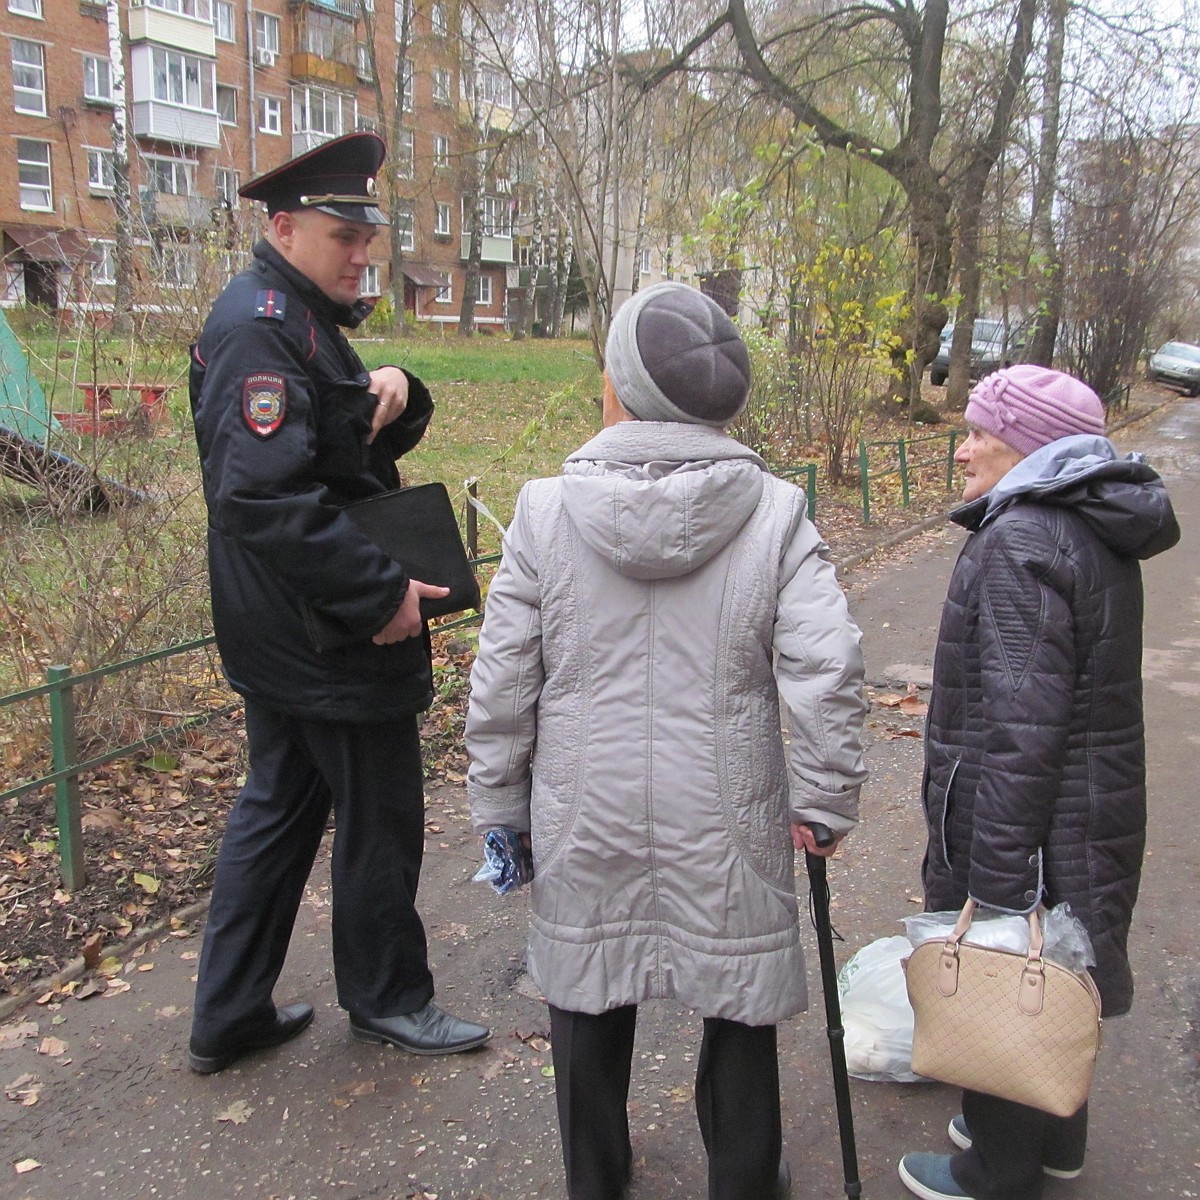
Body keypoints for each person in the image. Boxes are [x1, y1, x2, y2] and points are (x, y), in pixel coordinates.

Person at [465, 282, 868, 1200]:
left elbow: (502, 679)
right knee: (739, 1002)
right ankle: (743, 1180)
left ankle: (596, 1180)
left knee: (586, 987)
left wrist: (499, 805)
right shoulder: (773, 512)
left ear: (622, 387)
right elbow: (827, 665)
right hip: (729, 810)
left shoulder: (542, 510)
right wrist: (823, 795)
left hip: (583, 804)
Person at [187, 132, 489, 1075]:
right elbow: (261, 496)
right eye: (341, 235)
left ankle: (229, 1012)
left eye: (366, 235)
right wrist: (378, 595)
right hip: (322, 633)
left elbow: (318, 452)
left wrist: (390, 393)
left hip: (284, 626)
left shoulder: (291, 318)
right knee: (379, 815)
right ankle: (390, 999)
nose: (362, 252)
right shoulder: (260, 328)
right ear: (281, 227)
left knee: (278, 809)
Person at [899, 365, 1180, 1200]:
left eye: (982, 431)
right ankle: (1056, 1139)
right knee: (1063, 965)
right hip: (1088, 810)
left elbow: (1020, 728)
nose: (964, 449)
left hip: (1038, 817)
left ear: (1028, 443)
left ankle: (998, 1168)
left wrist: (1000, 877)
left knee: (1009, 961)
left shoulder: (1023, 537)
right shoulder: (1085, 519)